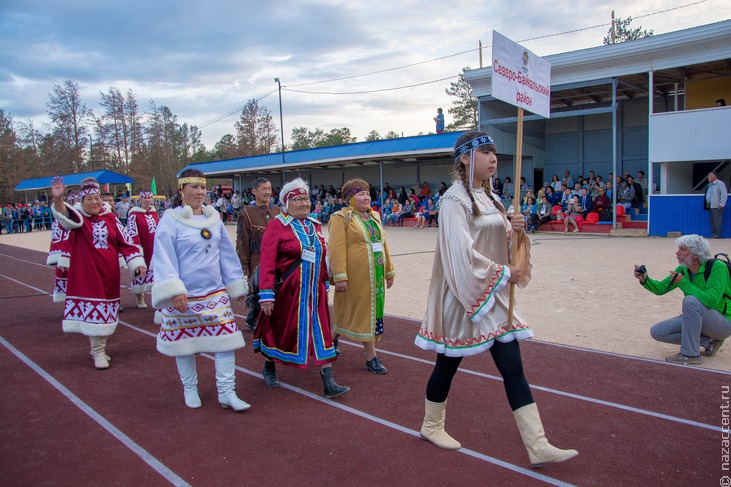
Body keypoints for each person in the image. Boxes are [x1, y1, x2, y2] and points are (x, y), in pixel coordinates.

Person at [414, 131, 578, 466]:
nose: (493, 159)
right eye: (486, 152)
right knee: (447, 366)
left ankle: (538, 444)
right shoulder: (454, 200)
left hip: (493, 294)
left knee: (513, 368)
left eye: (495, 153)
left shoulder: (491, 197)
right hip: (463, 297)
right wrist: (505, 274)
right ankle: (432, 425)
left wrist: (515, 227)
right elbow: (460, 254)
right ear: (464, 158)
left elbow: (500, 242)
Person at [151, 169, 250, 411]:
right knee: (185, 345)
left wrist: (235, 283)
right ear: (181, 190)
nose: (199, 192)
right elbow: (164, 256)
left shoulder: (214, 218)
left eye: (202, 187)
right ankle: (190, 388)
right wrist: (174, 290)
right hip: (183, 296)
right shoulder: (170, 220)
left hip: (214, 294)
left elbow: (226, 253)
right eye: (193, 187)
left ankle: (227, 392)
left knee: (226, 341)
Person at [253, 178, 349, 398]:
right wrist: (266, 295)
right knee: (279, 329)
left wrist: (324, 281)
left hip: (314, 293)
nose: (304, 203)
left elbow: (321, 256)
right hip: (288, 293)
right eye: (297, 200)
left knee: (321, 330)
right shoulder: (276, 226)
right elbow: (267, 262)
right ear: (287, 203)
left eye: (306, 199)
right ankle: (269, 365)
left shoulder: (314, 225)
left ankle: (329, 380)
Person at [51, 177, 146, 370]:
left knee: (107, 312)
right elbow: (64, 215)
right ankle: (98, 351)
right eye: (89, 199)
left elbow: (126, 242)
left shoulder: (111, 218)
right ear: (82, 201)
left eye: (97, 198)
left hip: (109, 273)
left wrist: (136, 262)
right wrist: (58, 200)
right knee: (96, 312)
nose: (94, 202)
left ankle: (99, 347)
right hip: (86, 273)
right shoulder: (77, 219)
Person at [328, 179, 396, 374]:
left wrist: (389, 270)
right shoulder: (340, 218)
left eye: (367, 193)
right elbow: (336, 248)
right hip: (355, 278)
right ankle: (371, 357)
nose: (366, 197)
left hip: (375, 277)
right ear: (349, 198)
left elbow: (383, 245)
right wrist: (340, 276)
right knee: (362, 313)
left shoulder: (375, 216)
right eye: (361, 194)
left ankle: (331, 340)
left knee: (364, 313)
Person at [634, 235, 731, 364]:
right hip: (698, 318)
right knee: (658, 332)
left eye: (682, 249)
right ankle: (710, 342)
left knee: (690, 301)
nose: (677, 253)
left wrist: (684, 283)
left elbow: (711, 301)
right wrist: (644, 278)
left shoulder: (717, 267)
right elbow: (660, 289)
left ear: (696, 254)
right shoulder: (684, 269)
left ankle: (690, 354)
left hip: (723, 323)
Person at [236, 177, 282, 278]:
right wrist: (244, 268)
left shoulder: (278, 211)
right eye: (263, 189)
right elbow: (243, 243)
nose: (267, 192)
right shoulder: (246, 213)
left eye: (269, 189)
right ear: (254, 191)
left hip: (278, 264)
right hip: (258, 265)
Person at [126, 190, 159, 309]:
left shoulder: (154, 213)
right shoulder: (134, 214)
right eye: (145, 198)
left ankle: (156, 298)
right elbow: (132, 232)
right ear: (140, 200)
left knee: (155, 272)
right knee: (140, 269)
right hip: (142, 246)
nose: (147, 200)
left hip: (154, 246)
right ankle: (139, 296)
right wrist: (137, 248)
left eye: (149, 198)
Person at [705, 171, 728, 238]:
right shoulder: (710, 184)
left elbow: (724, 194)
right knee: (712, 221)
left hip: (717, 205)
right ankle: (713, 234)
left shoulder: (720, 183)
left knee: (717, 221)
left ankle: (717, 235)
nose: (708, 177)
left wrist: (722, 204)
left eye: (710, 176)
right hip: (710, 205)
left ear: (714, 176)